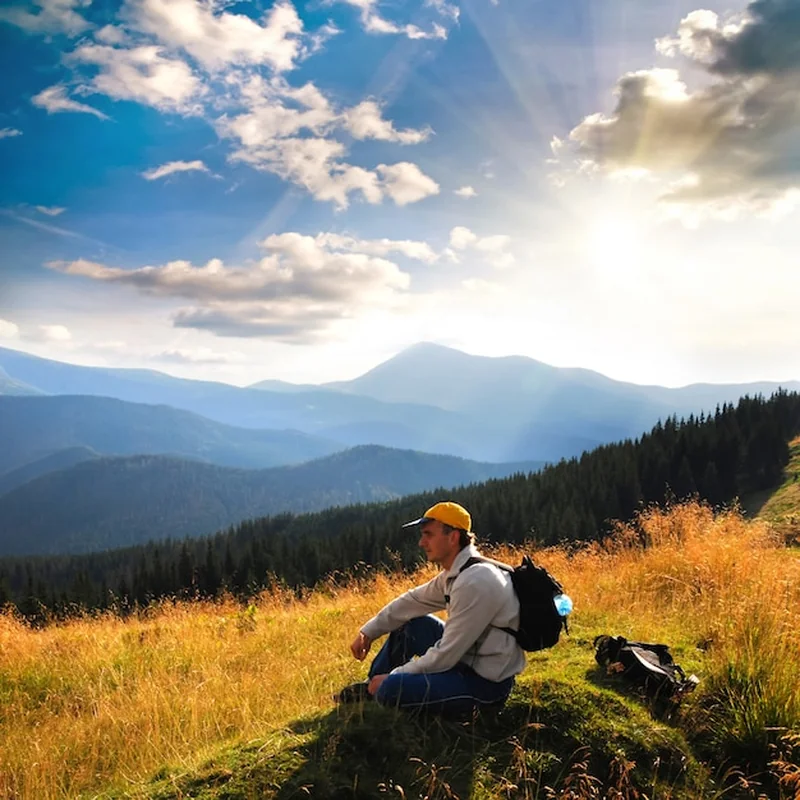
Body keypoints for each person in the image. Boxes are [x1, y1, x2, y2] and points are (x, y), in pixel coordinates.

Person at [334, 501, 525, 716]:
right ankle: (372, 689)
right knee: (412, 623)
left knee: (391, 690)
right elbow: (412, 602)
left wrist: (395, 677)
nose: (421, 542)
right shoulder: (460, 572)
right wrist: (368, 631)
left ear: (452, 537)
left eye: (428, 535)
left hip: (485, 685)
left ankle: (380, 689)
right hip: (467, 661)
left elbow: (446, 655)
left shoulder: (475, 582)